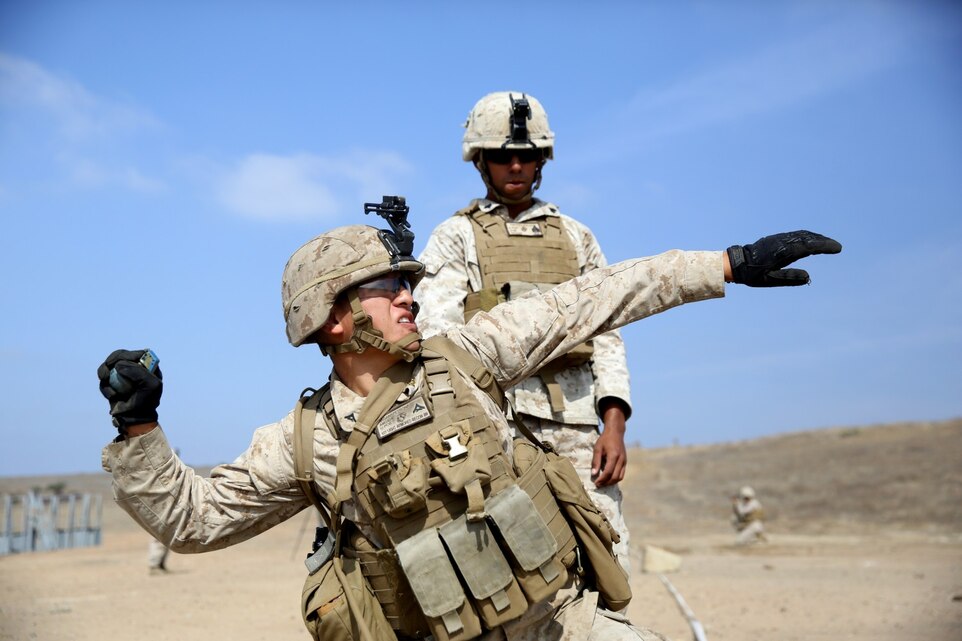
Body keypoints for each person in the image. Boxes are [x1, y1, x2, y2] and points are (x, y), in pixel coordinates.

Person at [97, 195, 840, 640]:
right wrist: (139, 429)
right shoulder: (307, 440)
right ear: (331, 318)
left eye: (407, 283)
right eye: (386, 286)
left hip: (558, 624)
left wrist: (726, 264)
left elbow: (593, 298)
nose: (409, 295)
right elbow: (193, 520)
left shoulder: (470, 354)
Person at [417, 91, 634, 575]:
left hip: (577, 425)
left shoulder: (576, 236)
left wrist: (614, 425)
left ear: (542, 160)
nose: (515, 166)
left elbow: (608, 334)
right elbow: (438, 337)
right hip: (496, 422)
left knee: (605, 556)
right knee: (503, 565)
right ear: (481, 161)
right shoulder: (456, 237)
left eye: (526, 155)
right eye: (502, 156)